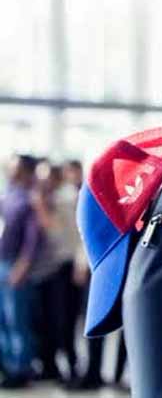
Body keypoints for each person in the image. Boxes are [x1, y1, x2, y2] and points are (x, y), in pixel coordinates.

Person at [30, 161, 82, 383]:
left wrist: (40, 207)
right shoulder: (48, 199)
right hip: (48, 269)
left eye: (46, 178)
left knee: (65, 320)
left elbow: (58, 232)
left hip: (66, 267)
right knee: (48, 320)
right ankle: (51, 367)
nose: (42, 183)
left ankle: (72, 368)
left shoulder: (65, 199)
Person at [0, 154, 45, 388]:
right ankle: (8, 367)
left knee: (16, 319)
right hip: (1, 262)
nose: (11, 169)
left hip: (15, 265)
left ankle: (21, 369)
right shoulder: (5, 196)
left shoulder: (29, 199)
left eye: (15, 166)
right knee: (2, 321)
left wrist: (23, 266)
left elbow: (33, 239)